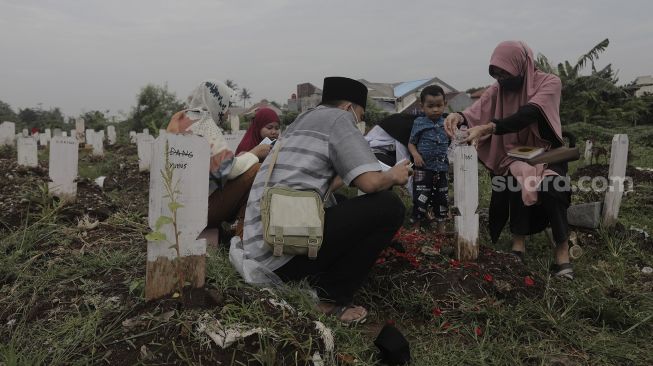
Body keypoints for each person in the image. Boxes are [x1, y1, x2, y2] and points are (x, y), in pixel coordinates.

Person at [230, 76, 412, 325]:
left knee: (336, 200)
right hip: (280, 255)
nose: (358, 122)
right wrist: (393, 175)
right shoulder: (339, 119)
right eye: (360, 115)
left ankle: (321, 279)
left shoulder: (302, 121)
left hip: (261, 244)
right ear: (349, 108)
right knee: (388, 207)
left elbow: (324, 183)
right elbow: (370, 183)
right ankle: (331, 299)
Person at [444, 41, 574, 279]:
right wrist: (458, 116)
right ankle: (518, 245)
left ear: (521, 66)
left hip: (547, 152)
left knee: (552, 189)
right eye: (496, 74)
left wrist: (489, 128)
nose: (501, 79)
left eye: (505, 72)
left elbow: (529, 114)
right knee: (514, 179)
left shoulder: (549, 82)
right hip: (516, 153)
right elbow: (477, 110)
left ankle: (562, 251)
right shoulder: (499, 88)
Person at [166, 80, 272, 240]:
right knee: (256, 171)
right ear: (216, 102)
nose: (228, 111)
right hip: (198, 211)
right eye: (226, 105)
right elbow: (230, 169)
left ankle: (235, 231)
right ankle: (243, 238)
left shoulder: (180, 119)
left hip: (176, 207)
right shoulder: (204, 123)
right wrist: (255, 153)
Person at [408, 85, 450, 232]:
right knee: (420, 197)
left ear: (445, 104)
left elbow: (453, 140)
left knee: (442, 198)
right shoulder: (419, 123)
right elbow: (411, 143)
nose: (435, 110)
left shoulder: (447, 123)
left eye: (439, 105)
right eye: (430, 106)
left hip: (442, 169)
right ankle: (416, 229)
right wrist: (416, 155)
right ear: (422, 106)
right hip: (423, 169)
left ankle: (441, 229)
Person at [364, 113, 416, 195]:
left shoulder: (409, 122)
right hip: (373, 153)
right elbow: (403, 163)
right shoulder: (404, 128)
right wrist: (414, 196)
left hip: (381, 152)